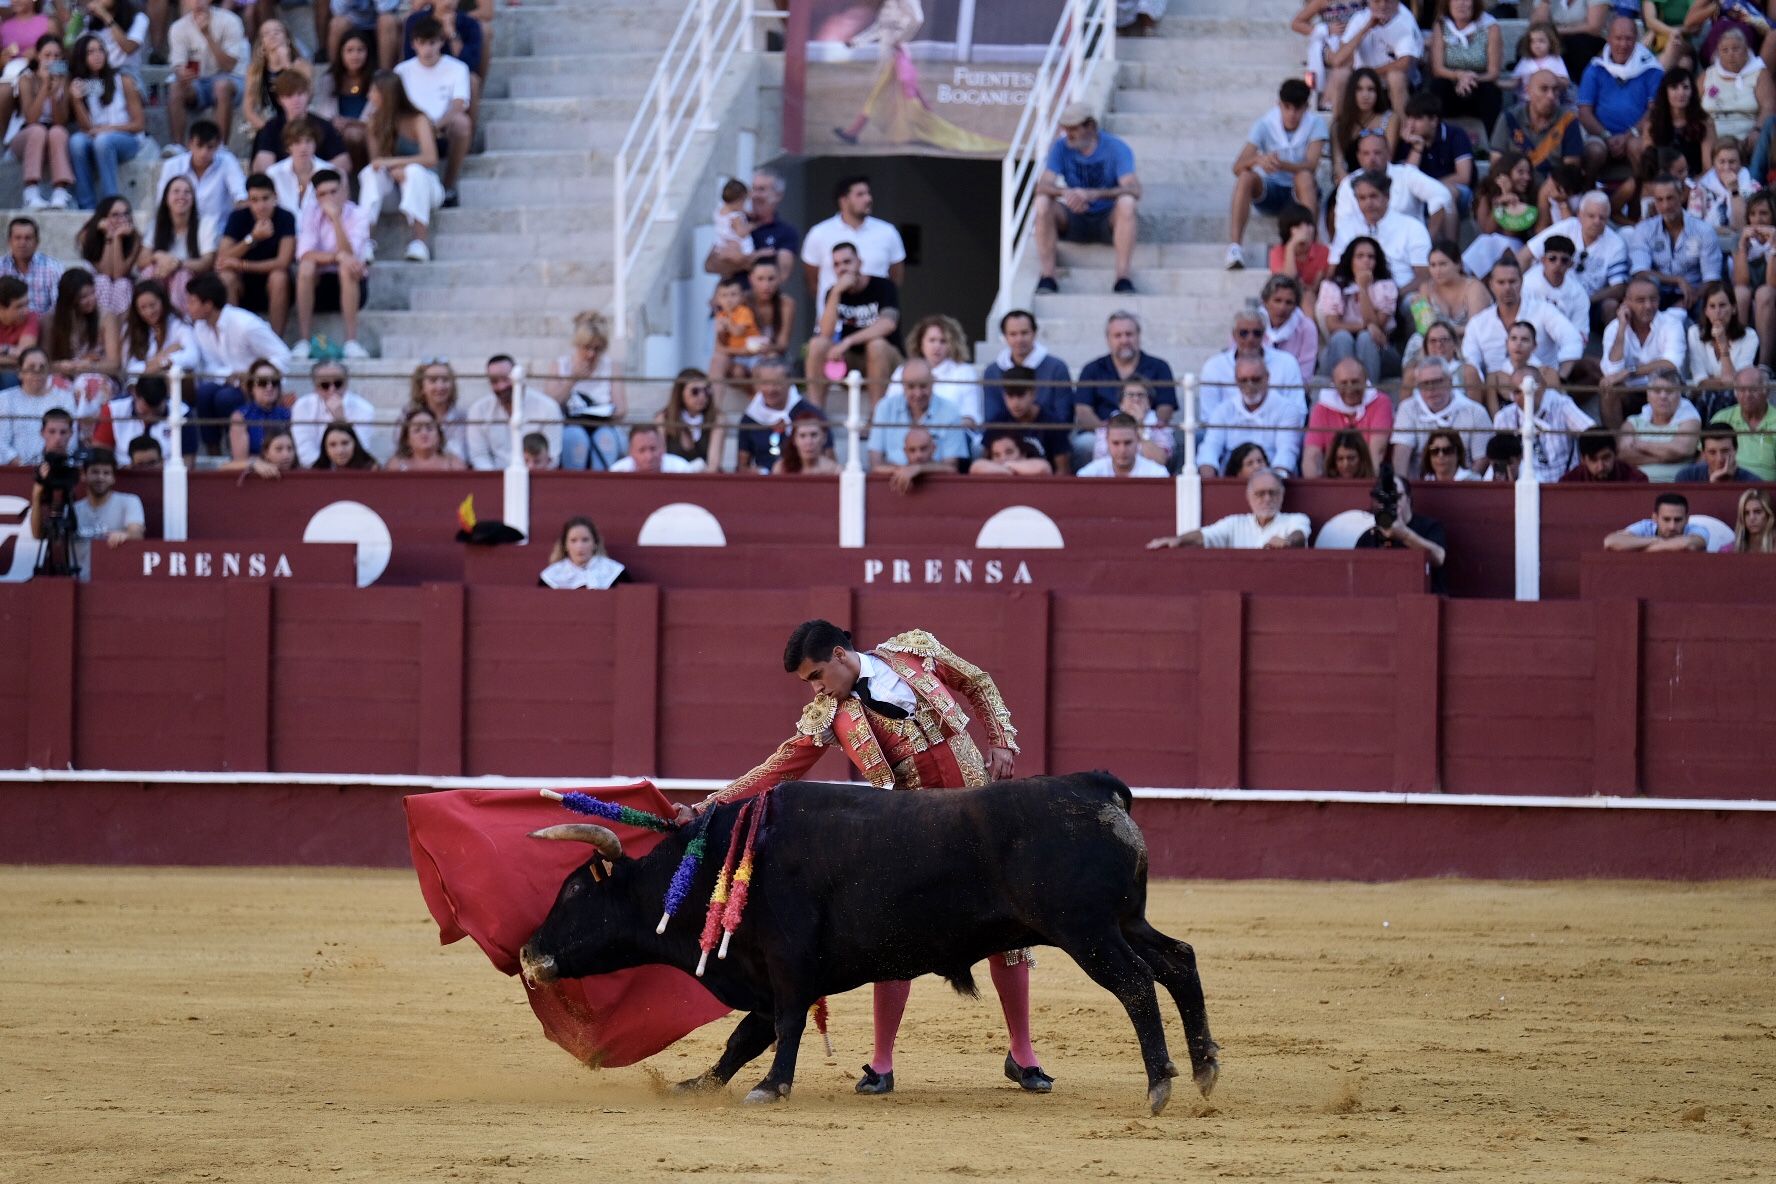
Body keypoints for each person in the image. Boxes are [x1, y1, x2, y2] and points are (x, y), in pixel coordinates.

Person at [680, 619, 1043, 1097]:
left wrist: (1001, 738)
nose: (815, 689)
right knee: (892, 937)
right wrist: (708, 806)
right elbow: (780, 765)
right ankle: (882, 1063)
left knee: (1010, 926)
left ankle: (1023, 1054)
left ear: (840, 655)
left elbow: (976, 681)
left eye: (816, 676)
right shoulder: (828, 714)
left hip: (977, 812)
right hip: (908, 834)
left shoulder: (914, 652)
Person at [1033, 101, 1144, 293]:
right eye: (1066, 128)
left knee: (1127, 203)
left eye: (1074, 128)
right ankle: (1048, 277)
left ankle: (1123, 278)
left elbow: (1134, 189)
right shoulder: (1060, 147)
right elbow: (1042, 185)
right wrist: (1066, 193)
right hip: (1073, 216)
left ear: (1090, 126)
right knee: (1042, 202)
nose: (1069, 134)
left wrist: (1095, 194)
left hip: (1107, 218)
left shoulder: (1116, 147)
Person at [1227, 78, 1327, 271]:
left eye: (1297, 109)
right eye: (1287, 107)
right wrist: (1258, 160)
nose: (1291, 114)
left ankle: (1310, 243)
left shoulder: (1316, 124)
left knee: (1305, 177)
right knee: (1246, 177)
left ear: (1306, 107)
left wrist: (1281, 165)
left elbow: (1311, 165)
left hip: (1299, 193)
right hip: (1271, 191)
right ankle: (1235, 247)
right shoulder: (1264, 124)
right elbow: (1237, 166)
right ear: (1278, 104)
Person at [185, 271, 290, 454]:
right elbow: (210, 366)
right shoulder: (201, 328)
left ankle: (236, 448)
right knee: (204, 392)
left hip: (258, 385)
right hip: (229, 382)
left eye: (192, 302)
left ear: (208, 305)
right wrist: (231, 375)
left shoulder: (245, 324)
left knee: (225, 398)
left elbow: (282, 355)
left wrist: (252, 375)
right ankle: (213, 449)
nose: (188, 307)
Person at [358, 69, 444, 263]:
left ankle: (419, 243)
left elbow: (431, 158)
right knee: (369, 174)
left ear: (386, 94)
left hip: (427, 187)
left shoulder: (418, 119)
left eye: (373, 91)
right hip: (392, 191)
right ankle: (365, 241)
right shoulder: (373, 122)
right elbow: (376, 163)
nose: (369, 95)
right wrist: (390, 168)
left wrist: (395, 164)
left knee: (413, 172)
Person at [804, 241, 903, 410]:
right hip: (849, 362)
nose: (842, 268)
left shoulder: (884, 286)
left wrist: (847, 341)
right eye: (836, 265)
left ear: (860, 262)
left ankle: (875, 417)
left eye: (847, 262)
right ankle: (816, 414)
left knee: (876, 345)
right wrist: (836, 293)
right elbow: (825, 333)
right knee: (816, 344)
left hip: (887, 359)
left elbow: (888, 324)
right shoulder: (833, 292)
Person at [28, 445, 143, 580]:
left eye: (106, 473)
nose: (100, 478)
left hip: (114, 584)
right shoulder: (72, 509)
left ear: (113, 478)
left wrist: (126, 535)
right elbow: (38, 535)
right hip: (79, 585)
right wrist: (36, 497)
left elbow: (138, 533)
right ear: (83, 475)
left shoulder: (129, 501)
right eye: (95, 472)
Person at [1462, 257, 1585, 381]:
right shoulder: (1478, 323)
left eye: (1512, 281)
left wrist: (1560, 377)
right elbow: (1471, 361)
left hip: (1540, 388)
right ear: (1491, 285)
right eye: (1501, 282)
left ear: (1521, 282)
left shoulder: (1544, 310)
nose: (1507, 288)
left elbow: (1573, 340)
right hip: (1495, 390)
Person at [293, 169, 371, 358]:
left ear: (344, 192)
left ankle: (351, 341)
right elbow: (305, 254)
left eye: (333, 192)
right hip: (320, 283)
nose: (328, 198)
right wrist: (335, 257)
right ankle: (303, 340)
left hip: (351, 283)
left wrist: (336, 219)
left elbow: (351, 255)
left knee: (347, 268)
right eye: (322, 194)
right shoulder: (310, 213)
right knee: (306, 267)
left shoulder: (358, 214)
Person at [393, 16, 472, 202]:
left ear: (441, 42)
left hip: (441, 127)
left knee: (462, 123)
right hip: (409, 129)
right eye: (421, 43)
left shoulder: (458, 68)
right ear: (413, 44)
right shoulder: (401, 70)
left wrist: (435, 125)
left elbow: (459, 104)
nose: (427, 49)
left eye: (432, 42)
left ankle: (448, 185)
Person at [800, 175, 905, 311]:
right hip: (833, 324)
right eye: (860, 194)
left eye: (868, 193)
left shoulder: (888, 232)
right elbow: (811, 280)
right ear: (843, 200)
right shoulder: (819, 233)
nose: (868, 199)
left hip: (876, 322)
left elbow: (895, 278)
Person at [68, 32, 148, 212]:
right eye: (91, 52)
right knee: (76, 141)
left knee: (103, 140)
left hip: (129, 139)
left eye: (100, 50)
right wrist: (76, 100)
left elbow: (139, 124)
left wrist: (108, 129)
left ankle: (111, 204)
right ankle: (86, 206)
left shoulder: (123, 80)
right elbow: (87, 128)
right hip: (99, 140)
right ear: (82, 57)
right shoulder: (87, 84)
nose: (97, 55)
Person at [1523, 191, 1630, 321]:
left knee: (1611, 305)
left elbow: (1618, 288)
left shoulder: (1616, 244)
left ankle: (1610, 341)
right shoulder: (1567, 227)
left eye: (1602, 218)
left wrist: (1583, 300)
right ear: (1580, 215)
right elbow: (1526, 254)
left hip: (1591, 302)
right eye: (1591, 216)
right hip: (1551, 296)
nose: (1597, 221)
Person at [1577, 15, 1663, 178]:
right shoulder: (1595, 68)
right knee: (1594, 151)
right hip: (1601, 136)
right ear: (1608, 38)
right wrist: (1607, 136)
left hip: (1637, 135)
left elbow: (1655, 110)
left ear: (1636, 39)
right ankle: (1587, 195)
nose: (1623, 44)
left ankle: (1642, 194)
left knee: (1637, 147)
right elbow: (1584, 112)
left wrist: (1629, 135)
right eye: (1618, 38)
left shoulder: (1651, 69)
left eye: (1629, 39)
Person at [1599, 274, 1690, 425]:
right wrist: (1622, 328)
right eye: (1640, 300)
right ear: (1626, 303)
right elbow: (1611, 373)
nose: (1648, 306)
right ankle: (1616, 445)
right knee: (1608, 386)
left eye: (1653, 299)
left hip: (1664, 391)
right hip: (1631, 393)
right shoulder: (1614, 328)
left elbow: (1672, 363)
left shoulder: (1671, 324)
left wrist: (1630, 371)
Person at [1148, 468, 1310, 549]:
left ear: (1282, 494)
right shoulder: (1235, 524)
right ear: (1249, 496)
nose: (1267, 499)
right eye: (1260, 494)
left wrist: (1287, 542)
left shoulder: (1295, 519)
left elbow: (1299, 535)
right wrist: (1179, 539)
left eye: (1272, 493)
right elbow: (1205, 535)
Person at [1198, 359, 1307, 477]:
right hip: (1233, 478)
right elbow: (1210, 448)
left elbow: (1286, 452)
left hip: (1272, 479)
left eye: (1256, 379)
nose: (1249, 385)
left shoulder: (1287, 410)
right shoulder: (1223, 410)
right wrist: (1210, 482)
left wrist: (1269, 483)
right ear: (1236, 380)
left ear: (1267, 377)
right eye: (1243, 380)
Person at [1328, 169, 1432, 294]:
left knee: (1420, 307)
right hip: (1355, 297)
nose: (1368, 203)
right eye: (1362, 198)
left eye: (1373, 196)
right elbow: (1333, 272)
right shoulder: (1346, 229)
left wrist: (1393, 298)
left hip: (1404, 294)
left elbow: (1425, 276)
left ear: (1387, 197)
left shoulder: (1412, 227)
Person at [1391, 355, 1496, 476]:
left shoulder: (1475, 412)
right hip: (1420, 488)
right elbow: (1401, 453)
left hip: (1463, 486)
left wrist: (1464, 485)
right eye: (1425, 384)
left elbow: (1481, 460)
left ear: (1450, 381)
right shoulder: (1407, 409)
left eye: (1437, 382)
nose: (1431, 389)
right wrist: (1401, 486)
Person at [217, 172, 295, 334]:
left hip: (274, 286)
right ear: (248, 201)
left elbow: (283, 262)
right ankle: (233, 339)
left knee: (279, 277)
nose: (261, 205)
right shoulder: (237, 217)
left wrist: (242, 265)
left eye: (265, 198)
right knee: (226, 277)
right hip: (242, 285)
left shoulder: (286, 218)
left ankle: (275, 341)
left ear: (275, 197)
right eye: (254, 200)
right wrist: (252, 238)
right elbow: (222, 258)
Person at [1628, 175, 1722, 310]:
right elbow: (1640, 272)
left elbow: (1711, 278)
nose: (1665, 206)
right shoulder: (1644, 229)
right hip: (1655, 297)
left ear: (1682, 196)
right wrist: (1677, 280)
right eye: (1659, 200)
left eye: (1670, 198)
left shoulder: (1703, 231)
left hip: (1693, 295)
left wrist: (1691, 299)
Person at [1317, 236, 1401, 379]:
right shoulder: (1332, 286)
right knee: (1342, 337)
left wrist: (1363, 288)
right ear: (1350, 259)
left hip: (1380, 350)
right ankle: (1345, 385)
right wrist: (1365, 326)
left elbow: (1378, 326)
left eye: (1371, 257)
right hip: (1340, 347)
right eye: (1360, 256)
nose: (1366, 261)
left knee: (1366, 338)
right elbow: (1333, 325)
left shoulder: (1386, 286)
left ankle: (1368, 391)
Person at [550, 310, 624, 471]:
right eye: (586, 347)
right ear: (577, 344)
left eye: (597, 349)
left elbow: (621, 410)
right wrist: (572, 380)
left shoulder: (612, 367)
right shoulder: (560, 365)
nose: (591, 354)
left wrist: (600, 413)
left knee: (605, 439)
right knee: (576, 438)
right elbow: (550, 405)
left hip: (604, 425)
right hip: (570, 425)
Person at [167, 0, 250, 145]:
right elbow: (178, 65)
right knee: (175, 87)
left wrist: (207, 35)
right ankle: (177, 146)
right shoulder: (178, 27)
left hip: (232, 79)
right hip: (198, 83)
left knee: (221, 86)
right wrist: (183, 74)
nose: (198, 2)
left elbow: (229, 66)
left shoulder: (230, 21)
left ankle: (220, 146)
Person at [1495, 368, 1597, 481]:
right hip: (1523, 486)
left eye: (1530, 390)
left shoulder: (1561, 404)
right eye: (1518, 392)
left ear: (1543, 385)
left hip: (1565, 483)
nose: (1525, 396)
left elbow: (1592, 434)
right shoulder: (1504, 417)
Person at [1354, 470, 1448, 592]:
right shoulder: (1367, 537)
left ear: (1408, 498)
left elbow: (1439, 557)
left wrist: (1404, 535)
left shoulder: (1429, 527)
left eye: (1396, 497)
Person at [1327, 0, 1423, 120]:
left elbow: (1405, 62)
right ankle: (1338, 129)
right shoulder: (1361, 18)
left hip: (1393, 81)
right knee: (1339, 74)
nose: (1383, 5)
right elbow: (1338, 59)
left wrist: (1371, 73)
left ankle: (1404, 129)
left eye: (1387, 1)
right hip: (1364, 78)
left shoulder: (1405, 19)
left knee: (1395, 77)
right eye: (1377, 1)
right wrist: (1366, 28)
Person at [11, 35, 76, 211]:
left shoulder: (65, 79)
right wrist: (44, 87)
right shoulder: (26, 79)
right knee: (38, 130)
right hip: (25, 135)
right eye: (47, 55)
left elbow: (61, 121)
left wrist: (55, 93)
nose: (51, 60)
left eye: (56, 56)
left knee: (58, 132)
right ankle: (30, 192)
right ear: (38, 56)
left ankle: (60, 192)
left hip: (52, 134)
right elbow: (30, 118)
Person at [869, 358, 967, 471]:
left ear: (933, 383)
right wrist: (905, 472)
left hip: (937, 484)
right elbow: (875, 463)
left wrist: (919, 470)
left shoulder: (950, 411)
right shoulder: (885, 408)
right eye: (911, 387)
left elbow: (952, 467)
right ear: (902, 386)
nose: (918, 393)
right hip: (892, 482)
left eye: (923, 386)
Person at [466, 353, 561, 470]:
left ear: (520, 377)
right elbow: (479, 457)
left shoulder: (548, 407)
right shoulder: (478, 410)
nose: (501, 386)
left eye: (506, 379)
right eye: (494, 381)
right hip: (495, 480)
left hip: (536, 479)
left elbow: (552, 457)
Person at [886, 314, 982, 430]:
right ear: (920, 343)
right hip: (909, 437)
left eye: (943, 341)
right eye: (932, 340)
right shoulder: (903, 371)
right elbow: (889, 410)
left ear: (952, 344)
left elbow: (971, 417)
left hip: (952, 436)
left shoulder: (965, 372)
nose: (937, 346)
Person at [1302, 357, 1393, 475]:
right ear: (1334, 384)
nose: (1350, 388)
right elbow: (1312, 455)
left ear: (1365, 380)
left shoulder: (1381, 402)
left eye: (1355, 382)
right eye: (1344, 383)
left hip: (1368, 477)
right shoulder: (1321, 408)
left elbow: (1377, 452)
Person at [1427, 0, 1503, 135]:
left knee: (1490, 90)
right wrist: (1459, 75)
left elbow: (1493, 72)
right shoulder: (1441, 25)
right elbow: (1437, 69)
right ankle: (1435, 141)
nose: (1461, 4)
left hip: (1478, 86)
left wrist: (1471, 78)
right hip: (1451, 88)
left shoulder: (1490, 26)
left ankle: (1494, 148)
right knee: (1437, 85)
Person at [155, 119, 248, 230]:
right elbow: (162, 201)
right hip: (180, 231)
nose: (204, 153)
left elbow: (241, 196)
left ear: (218, 146)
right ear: (190, 144)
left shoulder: (227, 161)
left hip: (218, 232)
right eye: (199, 146)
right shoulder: (172, 166)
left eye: (210, 147)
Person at [735, 357, 820, 475]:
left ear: (790, 382)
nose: (770, 389)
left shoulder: (810, 414)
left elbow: (827, 459)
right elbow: (742, 466)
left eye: (777, 384)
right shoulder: (749, 418)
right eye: (765, 383)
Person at [286, 359, 376, 466]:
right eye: (325, 385)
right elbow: (304, 449)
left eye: (338, 384)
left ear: (346, 383)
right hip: (316, 471)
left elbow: (361, 450)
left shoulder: (364, 408)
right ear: (316, 387)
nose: (332, 390)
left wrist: (340, 420)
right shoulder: (303, 406)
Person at [1616, 369, 1701, 478]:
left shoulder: (1690, 420)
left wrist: (1640, 444)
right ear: (1648, 395)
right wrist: (1665, 457)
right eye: (1657, 391)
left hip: (1675, 487)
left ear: (1679, 395)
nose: (1663, 396)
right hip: (1638, 487)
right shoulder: (1632, 422)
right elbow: (1624, 455)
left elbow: (1682, 450)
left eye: (1669, 391)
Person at [0, 348, 72, 464]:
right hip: (15, 470)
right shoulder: (5, 399)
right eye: (31, 367)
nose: (37, 372)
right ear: (20, 372)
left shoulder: (65, 398)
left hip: (54, 468)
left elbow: (70, 439)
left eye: (42, 368)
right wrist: (20, 464)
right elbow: (1, 442)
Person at [1522, 234, 1592, 342]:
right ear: (1543, 260)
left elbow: (1580, 335)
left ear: (1571, 264)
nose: (1558, 264)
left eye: (1564, 260)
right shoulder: (1526, 285)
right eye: (1552, 258)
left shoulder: (1579, 294)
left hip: (1562, 347)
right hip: (1528, 343)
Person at [1710, 367, 1776, 478]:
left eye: (1753, 389)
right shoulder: (1722, 418)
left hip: (1764, 491)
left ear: (1767, 392)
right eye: (1742, 390)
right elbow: (1704, 458)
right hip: (1725, 485)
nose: (1747, 395)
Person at [1090, 378, 1172, 467]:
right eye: (1130, 395)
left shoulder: (1160, 427)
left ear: (1149, 402)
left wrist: (1140, 427)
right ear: (1121, 403)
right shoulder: (1106, 426)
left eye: (1141, 395)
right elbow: (1101, 460)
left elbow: (1161, 461)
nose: (1136, 399)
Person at [655, 368, 723, 471]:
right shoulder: (663, 418)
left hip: (704, 481)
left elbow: (713, 464)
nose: (702, 396)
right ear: (680, 392)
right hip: (672, 479)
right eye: (695, 391)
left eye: (706, 391)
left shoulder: (717, 419)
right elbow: (661, 460)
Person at [539, 516, 628, 589]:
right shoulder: (551, 577)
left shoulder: (614, 573)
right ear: (565, 545)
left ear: (595, 543)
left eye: (585, 540)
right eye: (573, 541)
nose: (580, 546)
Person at [1260, 275, 1319, 381]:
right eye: (1277, 301)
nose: (1282, 308)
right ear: (1265, 302)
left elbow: (1305, 374)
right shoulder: (1249, 325)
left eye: (1289, 303)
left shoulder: (1306, 328)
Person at [1603, 491, 1711, 550]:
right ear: (1655, 518)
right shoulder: (1645, 527)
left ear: (1687, 519)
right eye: (1666, 519)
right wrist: (1655, 540)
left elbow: (1687, 544)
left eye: (1678, 520)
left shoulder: (1698, 529)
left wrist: (1640, 548)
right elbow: (1610, 541)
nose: (1672, 526)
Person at [0, 217, 62, 315]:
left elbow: (59, 306)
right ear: (9, 241)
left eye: (28, 238)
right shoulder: (1, 266)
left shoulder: (52, 268)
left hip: (42, 326)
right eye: (17, 238)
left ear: (37, 242)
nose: (22, 243)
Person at [1076, 413, 1167, 478]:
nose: (1122, 450)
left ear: (1138, 440)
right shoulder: (1088, 475)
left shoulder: (1157, 474)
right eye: (1116, 443)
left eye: (1128, 442)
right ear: (1107, 441)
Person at [1673, 422, 1763, 481]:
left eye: (1725, 451)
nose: (1719, 459)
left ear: (1735, 450)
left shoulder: (1752, 482)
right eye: (1712, 452)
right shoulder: (1687, 477)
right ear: (1704, 454)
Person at [386, 405, 465, 471]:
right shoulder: (396, 465)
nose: (424, 433)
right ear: (407, 439)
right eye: (417, 430)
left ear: (439, 435)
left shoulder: (454, 464)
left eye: (429, 428)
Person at [1561, 426, 1650, 481]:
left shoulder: (1636, 480)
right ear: (1583, 460)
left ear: (1615, 454)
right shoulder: (1568, 483)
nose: (1601, 466)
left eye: (1606, 458)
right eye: (1593, 460)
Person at [774, 410, 841, 476]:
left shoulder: (834, 471)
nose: (808, 442)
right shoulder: (780, 469)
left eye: (814, 435)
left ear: (824, 438)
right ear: (794, 440)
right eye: (802, 436)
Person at [609, 424, 694, 474]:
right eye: (642, 450)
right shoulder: (617, 472)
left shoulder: (681, 469)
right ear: (631, 453)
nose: (649, 457)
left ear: (663, 448)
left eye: (653, 449)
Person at [969, 430, 1053, 477]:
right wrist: (1008, 470)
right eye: (996, 455)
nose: (1003, 458)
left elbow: (1043, 467)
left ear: (1022, 453)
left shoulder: (1035, 464)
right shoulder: (986, 465)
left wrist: (1008, 466)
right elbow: (975, 467)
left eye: (1009, 452)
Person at [311, 421, 377, 470]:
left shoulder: (371, 469)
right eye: (332, 445)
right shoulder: (316, 472)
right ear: (325, 448)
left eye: (345, 443)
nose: (340, 451)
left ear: (355, 444)